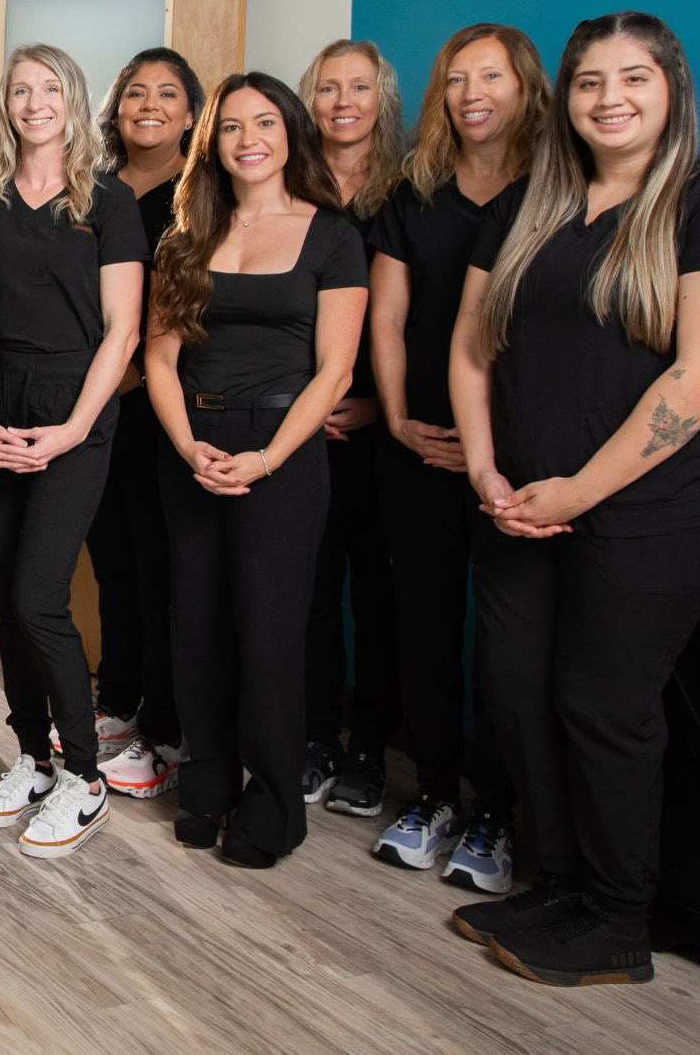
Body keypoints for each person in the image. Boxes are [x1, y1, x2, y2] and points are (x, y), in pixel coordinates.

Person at [448, 12, 700, 986]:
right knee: (515, 691)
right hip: (520, 497)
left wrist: (577, 493)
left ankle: (615, 919)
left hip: (656, 504)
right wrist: (485, 473)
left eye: (633, 78)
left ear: (670, 87)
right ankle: (556, 881)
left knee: (602, 704)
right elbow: (471, 348)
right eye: (590, 82)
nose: (610, 100)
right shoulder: (532, 204)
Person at [144, 71, 366, 870]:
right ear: (213, 143)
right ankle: (206, 787)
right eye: (231, 127)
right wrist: (186, 446)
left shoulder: (333, 235)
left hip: (283, 446)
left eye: (264, 123)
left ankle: (273, 803)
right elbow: (159, 359)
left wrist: (269, 456)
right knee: (197, 627)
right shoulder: (185, 236)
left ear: (290, 133)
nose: (248, 140)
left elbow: (336, 371)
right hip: (194, 445)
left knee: (269, 632)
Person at [361, 24, 548, 887]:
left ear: (527, 86)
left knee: (512, 650)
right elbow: (388, 317)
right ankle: (435, 792)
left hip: (526, 453)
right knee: (423, 629)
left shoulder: (561, 187)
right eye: (457, 78)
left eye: (492, 76)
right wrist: (396, 419)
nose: (473, 92)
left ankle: (498, 814)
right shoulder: (416, 192)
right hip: (425, 443)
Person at [0, 45, 145, 859]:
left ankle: (85, 775)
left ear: (74, 98)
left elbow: (124, 330)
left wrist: (71, 430)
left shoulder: (111, 200)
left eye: (50, 88)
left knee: (39, 596)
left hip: (75, 410)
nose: (35, 103)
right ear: (8, 107)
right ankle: (31, 756)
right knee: (5, 590)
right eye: (21, 90)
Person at [89, 48, 206, 798]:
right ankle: (118, 704)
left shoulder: (200, 197)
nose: (150, 104)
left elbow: (176, 320)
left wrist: (114, 386)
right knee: (113, 567)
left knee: (165, 570)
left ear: (192, 114)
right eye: (136, 91)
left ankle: (167, 725)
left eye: (168, 93)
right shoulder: (93, 189)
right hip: (100, 411)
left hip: (162, 406)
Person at [296, 40, 407, 816]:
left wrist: (372, 402)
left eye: (358, 86)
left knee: (379, 594)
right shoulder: (286, 186)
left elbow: (416, 323)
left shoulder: (409, 193)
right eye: (328, 86)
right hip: (296, 422)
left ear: (381, 98)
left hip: (379, 429)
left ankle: (369, 748)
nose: (342, 100)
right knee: (307, 592)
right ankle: (314, 737)